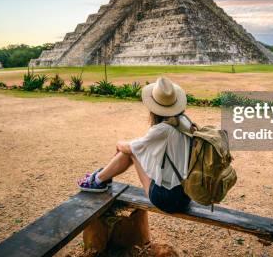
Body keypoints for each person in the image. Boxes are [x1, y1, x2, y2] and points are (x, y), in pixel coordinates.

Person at [77, 76, 193, 213]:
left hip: (168, 199)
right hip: (186, 194)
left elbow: (132, 148)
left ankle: (97, 180)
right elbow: (143, 145)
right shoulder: (184, 121)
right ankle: (100, 179)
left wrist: (118, 143)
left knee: (130, 152)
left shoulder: (162, 130)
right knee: (133, 149)